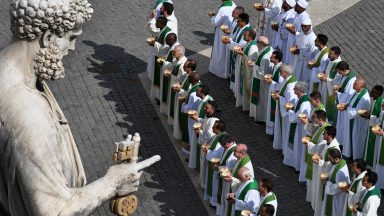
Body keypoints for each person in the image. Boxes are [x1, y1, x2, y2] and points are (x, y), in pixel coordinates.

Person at [0, 0, 161, 214]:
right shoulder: (28, 116)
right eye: (71, 38)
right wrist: (112, 183)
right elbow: (55, 212)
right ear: (48, 38)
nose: (73, 48)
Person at [306, 125, 340, 215]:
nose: (323, 135)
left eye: (324, 133)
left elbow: (331, 164)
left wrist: (319, 161)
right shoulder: (326, 143)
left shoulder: (335, 148)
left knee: (322, 195)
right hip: (321, 172)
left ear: (329, 135)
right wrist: (319, 157)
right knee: (319, 193)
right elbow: (319, 149)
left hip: (326, 175)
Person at [283, 82, 311, 171]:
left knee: (298, 146)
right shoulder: (300, 99)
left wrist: (290, 111)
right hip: (297, 127)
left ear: (299, 90)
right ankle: (293, 162)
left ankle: (297, 165)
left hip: (300, 129)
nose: (293, 89)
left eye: (295, 88)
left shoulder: (305, 102)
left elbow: (299, 116)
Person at [221, 144, 254, 216]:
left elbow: (245, 182)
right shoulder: (241, 159)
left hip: (239, 194)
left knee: (232, 209)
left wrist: (231, 179)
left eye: (235, 151)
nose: (233, 151)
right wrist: (230, 170)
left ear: (242, 154)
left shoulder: (246, 165)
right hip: (235, 192)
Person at [341, 78, 370, 159]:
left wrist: (346, 108)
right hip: (352, 120)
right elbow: (351, 102)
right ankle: (350, 154)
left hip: (358, 123)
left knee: (356, 141)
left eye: (355, 84)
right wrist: (346, 105)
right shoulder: (356, 92)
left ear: (361, 86)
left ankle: (356, 158)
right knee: (351, 138)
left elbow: (356, 111)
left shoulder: (364, 97)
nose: (353, 84)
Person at [272, 64, 297, 154]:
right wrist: (279, 93)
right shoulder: (288, 79)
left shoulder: (290, 86)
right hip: (283, 110)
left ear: (285, 73)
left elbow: (291, 102)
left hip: (287, 114)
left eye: (281, 71)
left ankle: (286, 151)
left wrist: (280, 98)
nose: (279, 72)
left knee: (286, 131)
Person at [209, 0, 237, 79]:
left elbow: (215, 22)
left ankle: (218, 71)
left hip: (221, 34)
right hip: (230, 32)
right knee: (226, 53)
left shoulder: (222, 9)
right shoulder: (233, 4)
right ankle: (227, 71)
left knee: (219, 52)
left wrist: (212, 16)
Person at [250, 36, 273, 123]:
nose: (257, 44)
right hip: (261, 82)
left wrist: (254, 65)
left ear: (261, 44)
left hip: (262, 83)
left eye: (258, 43)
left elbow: (262, 73)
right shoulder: (268, 48)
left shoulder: (265, 57)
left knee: (261, 100)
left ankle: (261, 119)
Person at [333, 61, 357, 147]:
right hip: (340, 103)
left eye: (340, 72)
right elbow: (343, 87)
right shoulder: (345, 75)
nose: (339, 74)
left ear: (345, 70)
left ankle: (341, 143)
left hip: (344, 106)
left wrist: (337, 93)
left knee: (341, 126)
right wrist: (339, 87)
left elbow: (348, 96)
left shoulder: (351, 80)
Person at [148, 17, 172, 99]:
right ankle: (157, 96)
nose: (155, 24)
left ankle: (160, 97)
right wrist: (155, 40)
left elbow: (166, 49)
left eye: (157, 22)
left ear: (162, 24)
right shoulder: (162, 30)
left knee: (160, 79)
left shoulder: (167, 33)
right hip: (157, 57)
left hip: (162, 59)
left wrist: (154, 44)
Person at [321, 148, 350, 216]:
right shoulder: (340, 163)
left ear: (337, 159)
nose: (329, 161)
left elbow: (337, 188)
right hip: (335, 197)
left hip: (337, 198)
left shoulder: (340, 172)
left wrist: (326, 183)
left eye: (330, 159)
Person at [172, 59, 196, 140]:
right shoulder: (187, 75)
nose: (183, 67)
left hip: (186, 104)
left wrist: (180, 90)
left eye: (184, 66)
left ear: (189, 68)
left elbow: (190, 93)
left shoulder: (192, 78)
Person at [191, 97, 217, 170]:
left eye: (207, 108)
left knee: (204, 166)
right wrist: (198, 119)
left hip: (208, 145)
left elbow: (209, 135)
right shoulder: (208, 115)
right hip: (204, 143)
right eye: (205, 107)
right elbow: (205, 121)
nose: (204, 109)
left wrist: (199, 131)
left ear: (212, 109)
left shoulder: (213, 120)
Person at [229, 13, 252, 93]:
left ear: (244, 22)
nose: (237, 22)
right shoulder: (241, 27)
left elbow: (242, 45)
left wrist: (230, 42)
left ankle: (237, 91)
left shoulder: (247, 30)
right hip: (236, 53)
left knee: (238, 74)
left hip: (241, 56)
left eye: (239, 21)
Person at [204, 120, 227, 202]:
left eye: (214, 127)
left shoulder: (221, 139)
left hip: (216, 166)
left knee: (215, 185)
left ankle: (213, 202)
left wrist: (207, 150)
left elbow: (216, 154)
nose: (212, 129)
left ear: (219, 129)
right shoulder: (218, 136)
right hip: (214, 165)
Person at [236, 30, 258, 111]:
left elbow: (251, 61)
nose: (243, 36)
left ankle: (246, 107)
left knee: (246, 90)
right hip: (244, 70)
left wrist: (243, 55)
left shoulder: (253, 47)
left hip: (248, 73)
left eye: (245, 35)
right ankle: (243, 104)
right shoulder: (248, 44)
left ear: (250, 37)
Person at [318, 46, 342, 124]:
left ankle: (328, 122)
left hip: (331, 90)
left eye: (331, 54)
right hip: (326, 86)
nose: (328, 55)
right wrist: (325, 74)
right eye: (329, 53)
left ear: (337, 55)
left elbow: (336, 80)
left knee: (329, 106)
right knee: (324, 102)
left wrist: (326, 79)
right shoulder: (332, 60)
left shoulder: (338, 65)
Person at [181, 72, 202, 158]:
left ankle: (191, 154)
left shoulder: (194, 94)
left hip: (192, 117)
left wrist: (183, 104)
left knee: (191, 134)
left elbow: (189, 109)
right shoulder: (199, 86)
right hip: (197, 115)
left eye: (189, 77)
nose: (188, 78)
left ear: (193, 80)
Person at [362, 85, 384, 169]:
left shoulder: (381, 103)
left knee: (372, 151)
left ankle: (371, 167)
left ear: (378, 94)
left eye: (373, 92)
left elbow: (380, 120)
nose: (371, 92)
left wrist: (369, 117)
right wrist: (368, 113)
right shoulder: (374, 99)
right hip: (371, 129)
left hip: (375, 132)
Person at [165, 45, 187, 125]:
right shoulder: (178, 60)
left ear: (180, 54)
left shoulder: (182, 66)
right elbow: (173, 65)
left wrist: (170, 75)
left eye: (175, 52)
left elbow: (181, 80)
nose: (173, 53)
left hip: (178, 90)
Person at [215, 134, 237, 214]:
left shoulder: (233, 153)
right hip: (225, 179)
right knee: (223, 198)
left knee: (226, 198)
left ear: (227, 144)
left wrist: (218, 168)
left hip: (229, 182)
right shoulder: (229, 148)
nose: (222, 147)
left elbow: (230, 168)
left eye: (223, 145)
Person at [285, 0, 310, 66]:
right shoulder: (297, 14)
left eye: (296, 6)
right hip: (291, 40)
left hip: (297, 44)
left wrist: (295, 32)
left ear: (301, 8)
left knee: (293, 62)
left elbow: (306, 34)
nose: (294, 7)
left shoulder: (305, 18)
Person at [158, 33, 179, 113]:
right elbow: (169, 57)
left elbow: (174, 64)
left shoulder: (176, 49)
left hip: (170, 75)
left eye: (167, 40)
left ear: (172, 40)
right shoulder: (172, 46)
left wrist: (164, 62)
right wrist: (164, 58)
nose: (166, 42)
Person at [291, 17, 316, 82]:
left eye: (305, 26)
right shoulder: (302, 33)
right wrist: (295, 47)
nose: (303, 28)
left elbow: (312, 54)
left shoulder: (312, 38)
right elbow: (299, 37)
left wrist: (300, 52)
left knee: (302, 80)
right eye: (302, 26)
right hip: (298, 60)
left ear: (310, 26)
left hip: (305, 64)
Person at [265, 51, 284, 135]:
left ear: (276, 59)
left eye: (272, 57)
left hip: (275, 93)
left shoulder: (281, 69)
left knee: (273, 112)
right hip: (272, 91)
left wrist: (271, 81)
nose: (270, 58)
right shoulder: (276, 66)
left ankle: (273, 132)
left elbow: (280, 84)